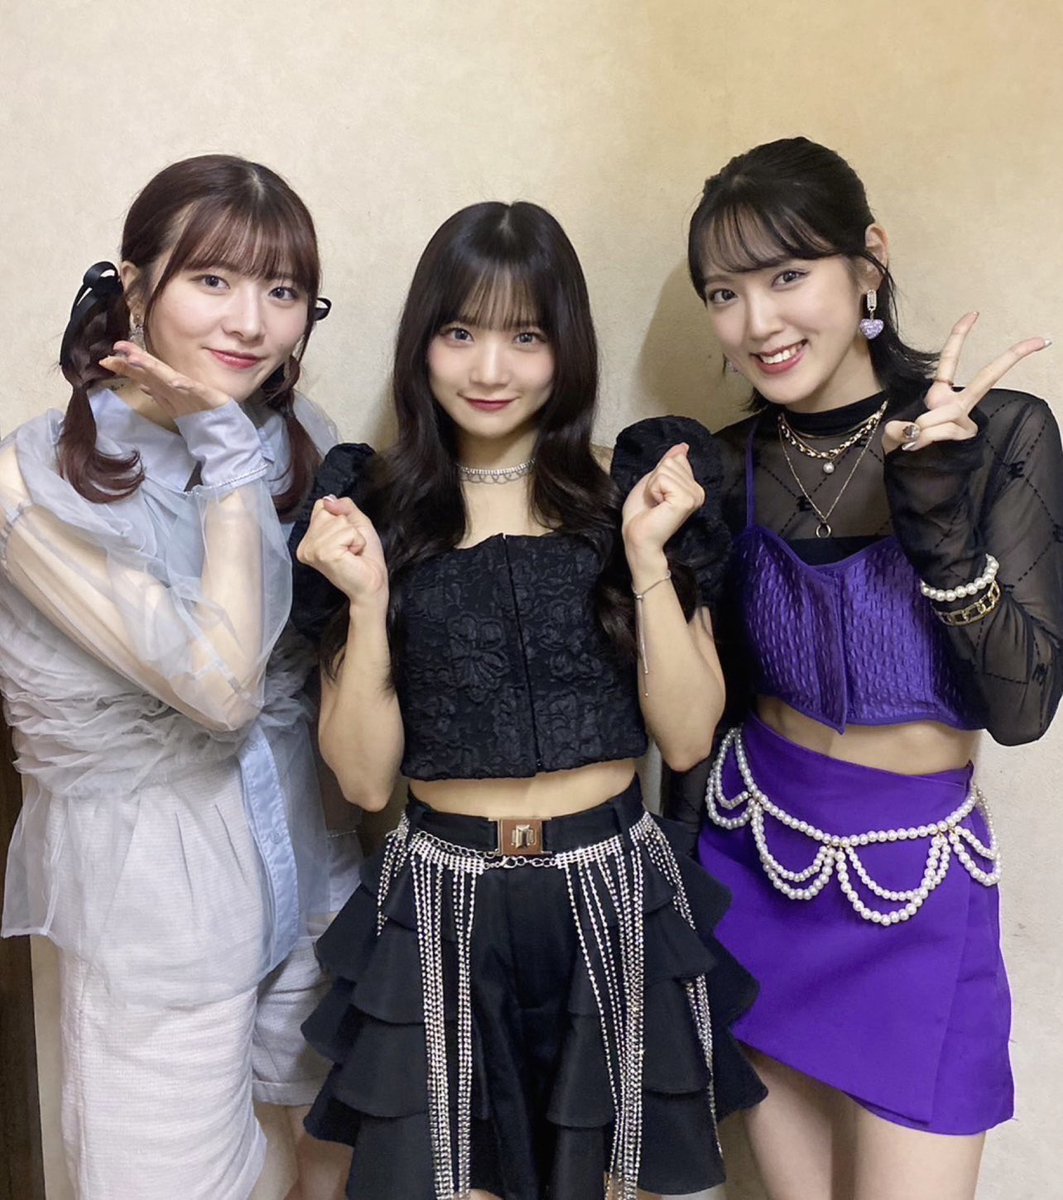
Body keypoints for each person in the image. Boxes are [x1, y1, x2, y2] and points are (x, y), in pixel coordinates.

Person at [288, 200, 765, 1200]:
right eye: (461, 333)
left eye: (525, 336)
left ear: (566, 347)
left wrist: (645, 556)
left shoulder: (635, 491)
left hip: (612, 891)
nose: (490, 369)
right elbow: (365, 781)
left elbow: (686, 739)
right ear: (422, 343)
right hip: (441, 900)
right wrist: (367, 601)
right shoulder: (371, 512)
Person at [677, 136, 1063, 1200]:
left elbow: (1023, 706)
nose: (757, 322)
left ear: (868, 263)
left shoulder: (998, 435)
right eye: (723, 293)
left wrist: (938, 526)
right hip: (757, 862)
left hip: (918, 891)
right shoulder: (726, 465)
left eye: (786, 275)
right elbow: (702, 705)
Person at [0, 154, 360, 1200]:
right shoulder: (31, 481)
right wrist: (220, 443)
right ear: (134, 283)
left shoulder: (303, 441)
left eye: (282, 291)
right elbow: (219, 686)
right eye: (212, 279)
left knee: (324, 1162)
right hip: (157, 899)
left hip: (310, 864)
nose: (250, 321)